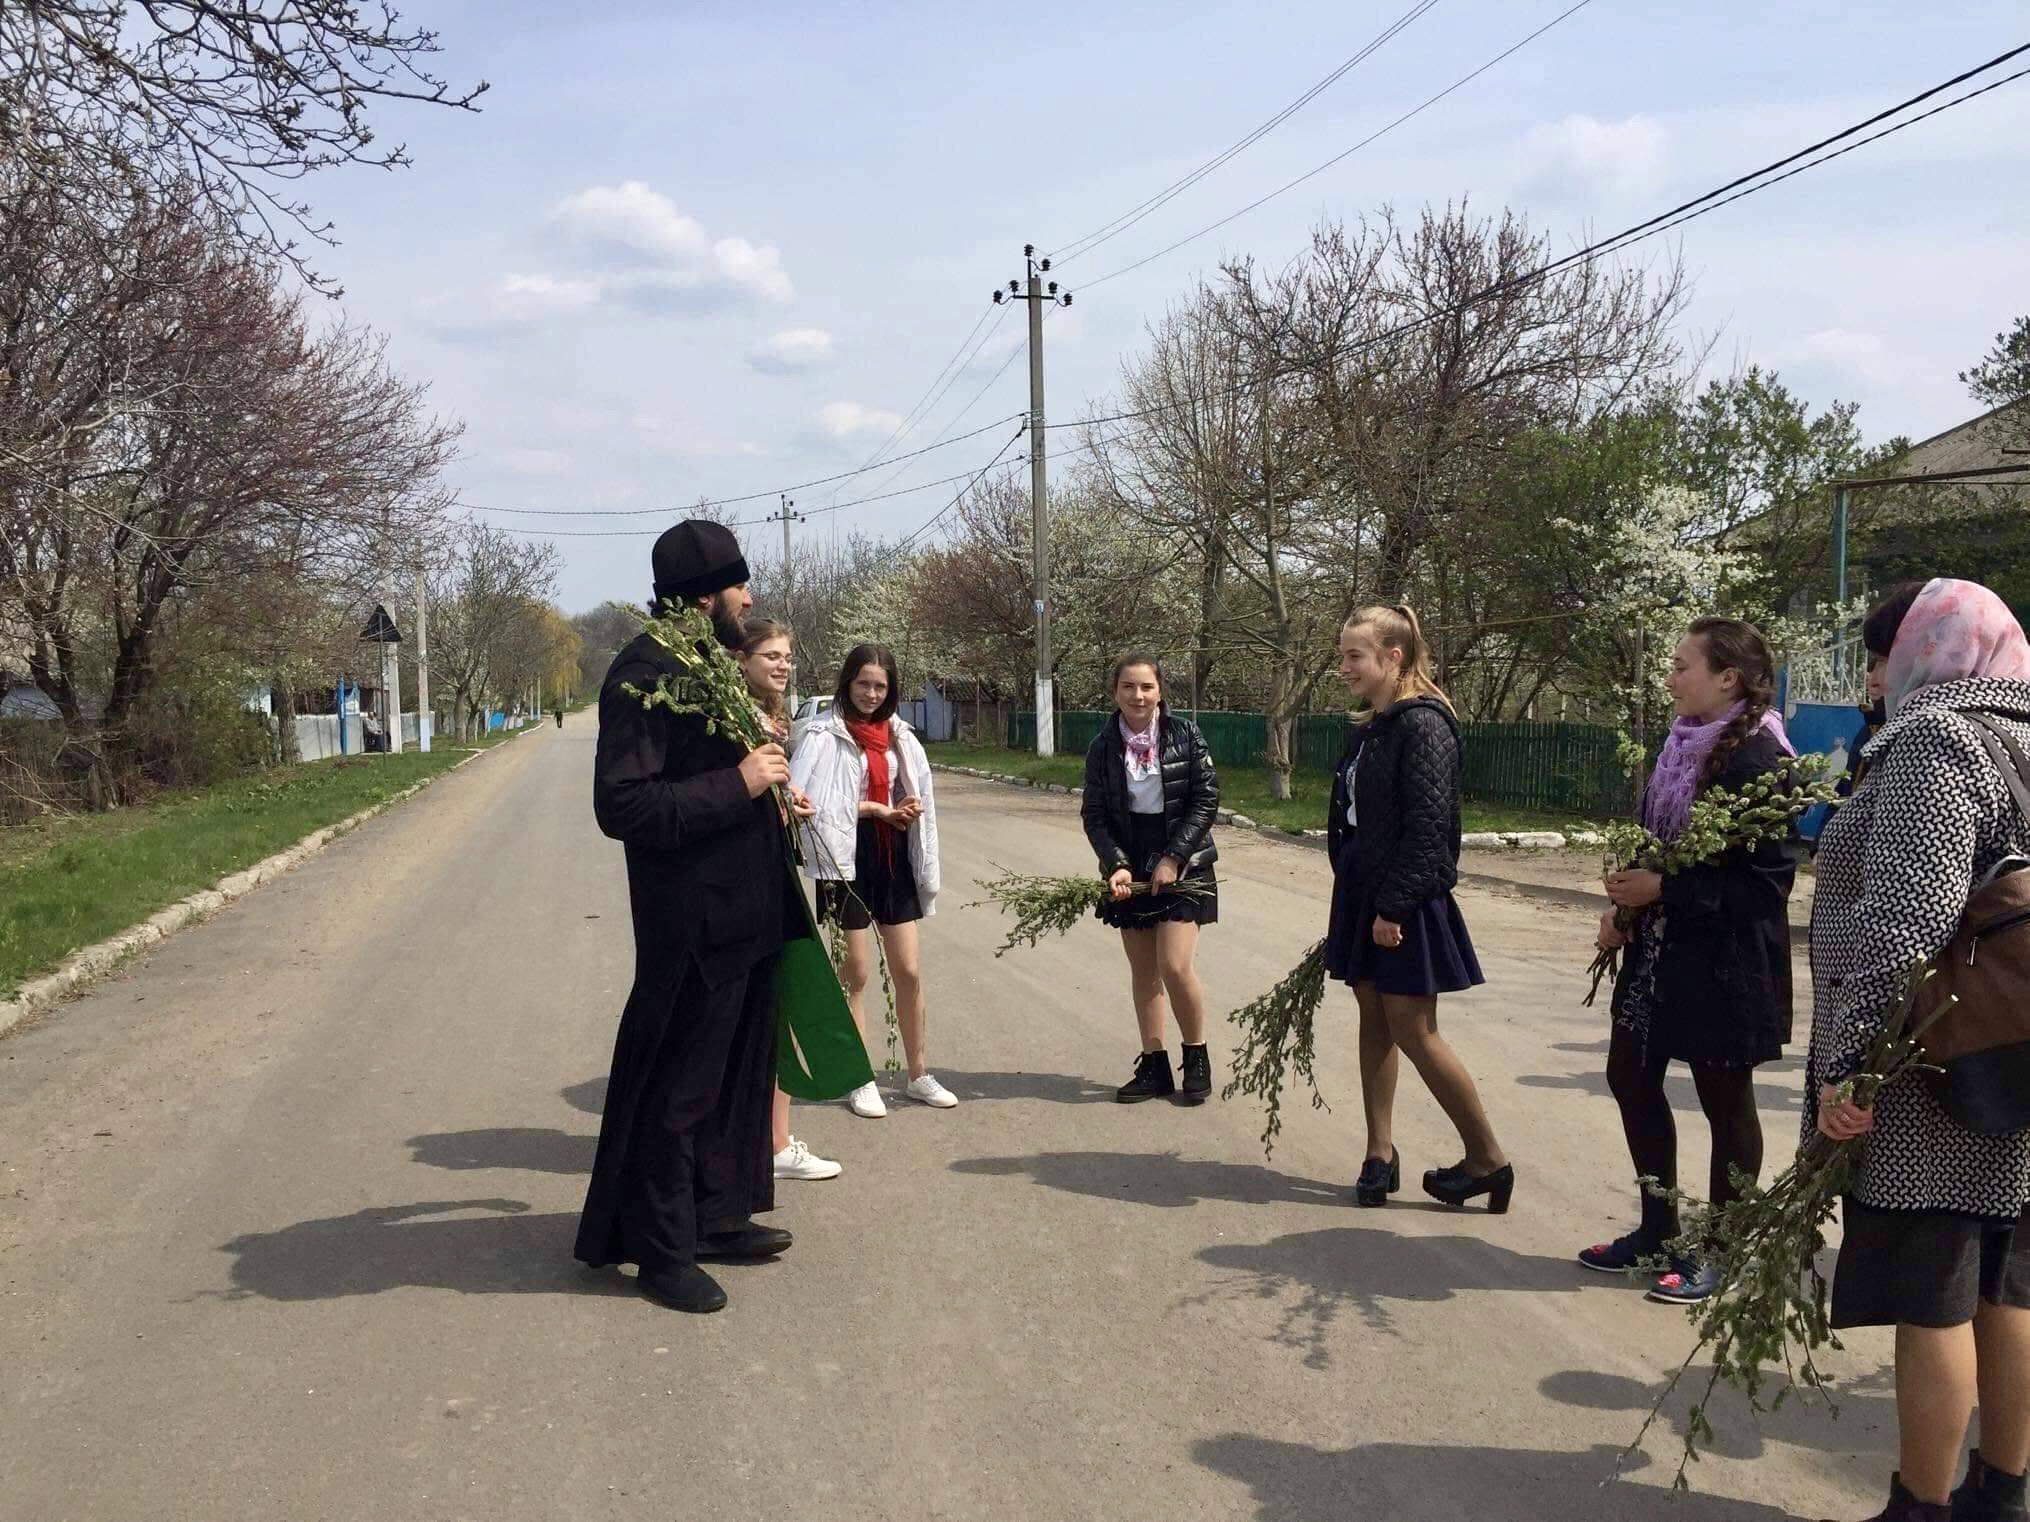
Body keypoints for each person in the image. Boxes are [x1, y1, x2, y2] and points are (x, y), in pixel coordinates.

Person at [1809, 579, 2030, 1522]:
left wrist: (1849, 1068)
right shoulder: (2022, 734)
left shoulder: (1938, 740)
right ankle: (2002, 1492)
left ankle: (1920, 1506)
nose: (1873, 676)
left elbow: (1906, 922)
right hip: (2015, 1052)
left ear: (1927, 653)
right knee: (2006, 1280)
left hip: (1932, 1065)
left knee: (1935, 1289)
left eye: (1882, 655)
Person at [575, 519, 805, 1316]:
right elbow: (622, 804)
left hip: (747, 914)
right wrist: (738, 782)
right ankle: (661, 1249)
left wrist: (768, 780)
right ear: (705, 596)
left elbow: (721, 771)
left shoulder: (704, 665)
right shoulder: (645, 673)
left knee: (736, 1078)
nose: (750, 598)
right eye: (739, 585)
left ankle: (714, 1215)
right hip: (694, 927)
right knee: (679, 1088)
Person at [1581, 618, 1799, 1303]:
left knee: (1724, 1100)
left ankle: (1724, 1249)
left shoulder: (1761, 760)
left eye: (1681, 666)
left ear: (1727, 677)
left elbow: (1766, 885)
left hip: (1726, 963)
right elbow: (1656, 844)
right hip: (1659, 953)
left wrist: (1664, 890)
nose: (1670, 676)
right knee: (1630, 1074)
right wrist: (1624, 906)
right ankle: (1659, 1231)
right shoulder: (1679, 746)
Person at [1326, 606, 1513, 1211]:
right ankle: (1379, 1153)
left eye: (1355, 655)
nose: (1344, 666)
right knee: (1375, 1020)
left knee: (1415, 1030)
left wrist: (1394, 908)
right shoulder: (1373, 726)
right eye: (1344, 654)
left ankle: (1488, 1159)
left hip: (1402, 903)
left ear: (1393, 656)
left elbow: (1430, 833)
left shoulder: (1424, 725)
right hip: (1366, 895)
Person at [790, 643, 955, 1117]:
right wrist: (873, 809)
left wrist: (905, 807)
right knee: (857, 974)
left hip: (892, 856)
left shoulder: (901, 735)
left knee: (909, 969)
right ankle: (860, 1078)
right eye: (863, 683)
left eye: (880, 686)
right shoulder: (822, 734)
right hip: (843, 859)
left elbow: (917, 789)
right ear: (847, 682)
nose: (871, 693)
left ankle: (918, 1074)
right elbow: (804, 801)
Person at [1082, 653, 1220, 1104]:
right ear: (1115, 692)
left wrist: (1175, 857)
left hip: (1184, 860)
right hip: (1132, 862)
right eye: (1128, 687)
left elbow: (1205, 799)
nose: (1137, 695)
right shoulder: (1103, 747)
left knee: (1174, 965)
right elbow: (1095, 815)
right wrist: (1117, 864)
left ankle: (1196, 1056)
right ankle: (1154, 1064)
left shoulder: (1185, 735)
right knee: (1144, 970)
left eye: (1146, 687)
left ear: (1160, 692)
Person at [734, 615, 843, 1184]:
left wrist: (786, 804)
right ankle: (771, 1145)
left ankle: (768, 1140)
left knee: (774, 1011)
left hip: (768, 872)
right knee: (770, 1012)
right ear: (742, 659)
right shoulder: (733, 716)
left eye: (787, 656)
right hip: (747, 884)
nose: (783, 665)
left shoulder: (771, 717)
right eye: (771, 655)